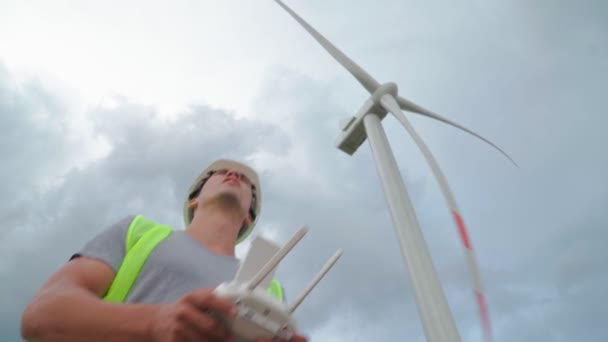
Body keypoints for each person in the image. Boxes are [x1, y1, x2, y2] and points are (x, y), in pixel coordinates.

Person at [21, 159, 308, 342]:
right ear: (194, 200)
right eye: (218, 172)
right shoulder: (139, 232)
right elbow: (42, 316)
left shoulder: (272, 292)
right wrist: (153, 323)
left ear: (249, 216)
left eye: (248, 184)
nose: (234, 173)